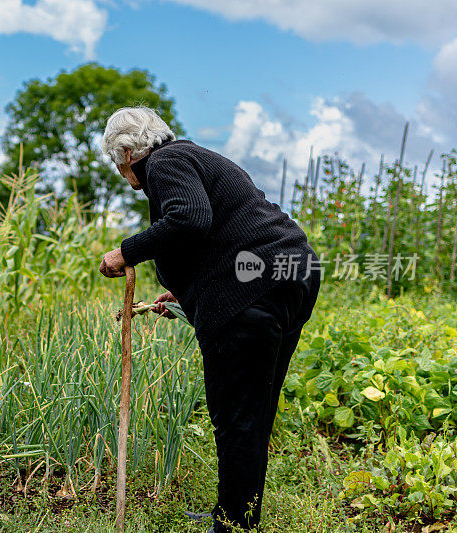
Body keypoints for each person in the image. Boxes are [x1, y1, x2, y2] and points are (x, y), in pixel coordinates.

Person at [98, 107, 321, 532]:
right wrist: (188, 291)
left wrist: (126, 251)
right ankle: (236, 516)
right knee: (254, 410)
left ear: (127, 151)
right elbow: (222, 231)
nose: (123, 173)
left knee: (236, 414)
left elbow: (190, 219)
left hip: (252, 289)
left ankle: (231, 525)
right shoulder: (193, 157)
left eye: (118, 162)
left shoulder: (163, 163)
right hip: (292, 274)